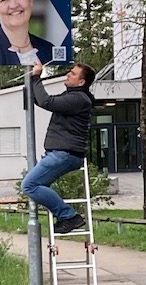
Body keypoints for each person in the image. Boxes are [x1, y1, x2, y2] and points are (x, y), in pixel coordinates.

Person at [21, 60, 96, 234]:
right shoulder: (73, 96)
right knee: (37, 185)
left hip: (64, 154)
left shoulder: (78, 99)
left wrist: (37, 78)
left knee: (29, 185)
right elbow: (43, 101)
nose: (68, 74)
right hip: (62, 153)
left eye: (73, 73)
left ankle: (69, 216)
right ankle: (67, 216)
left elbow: (47, 102)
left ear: (81, 82)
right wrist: (33, 83)